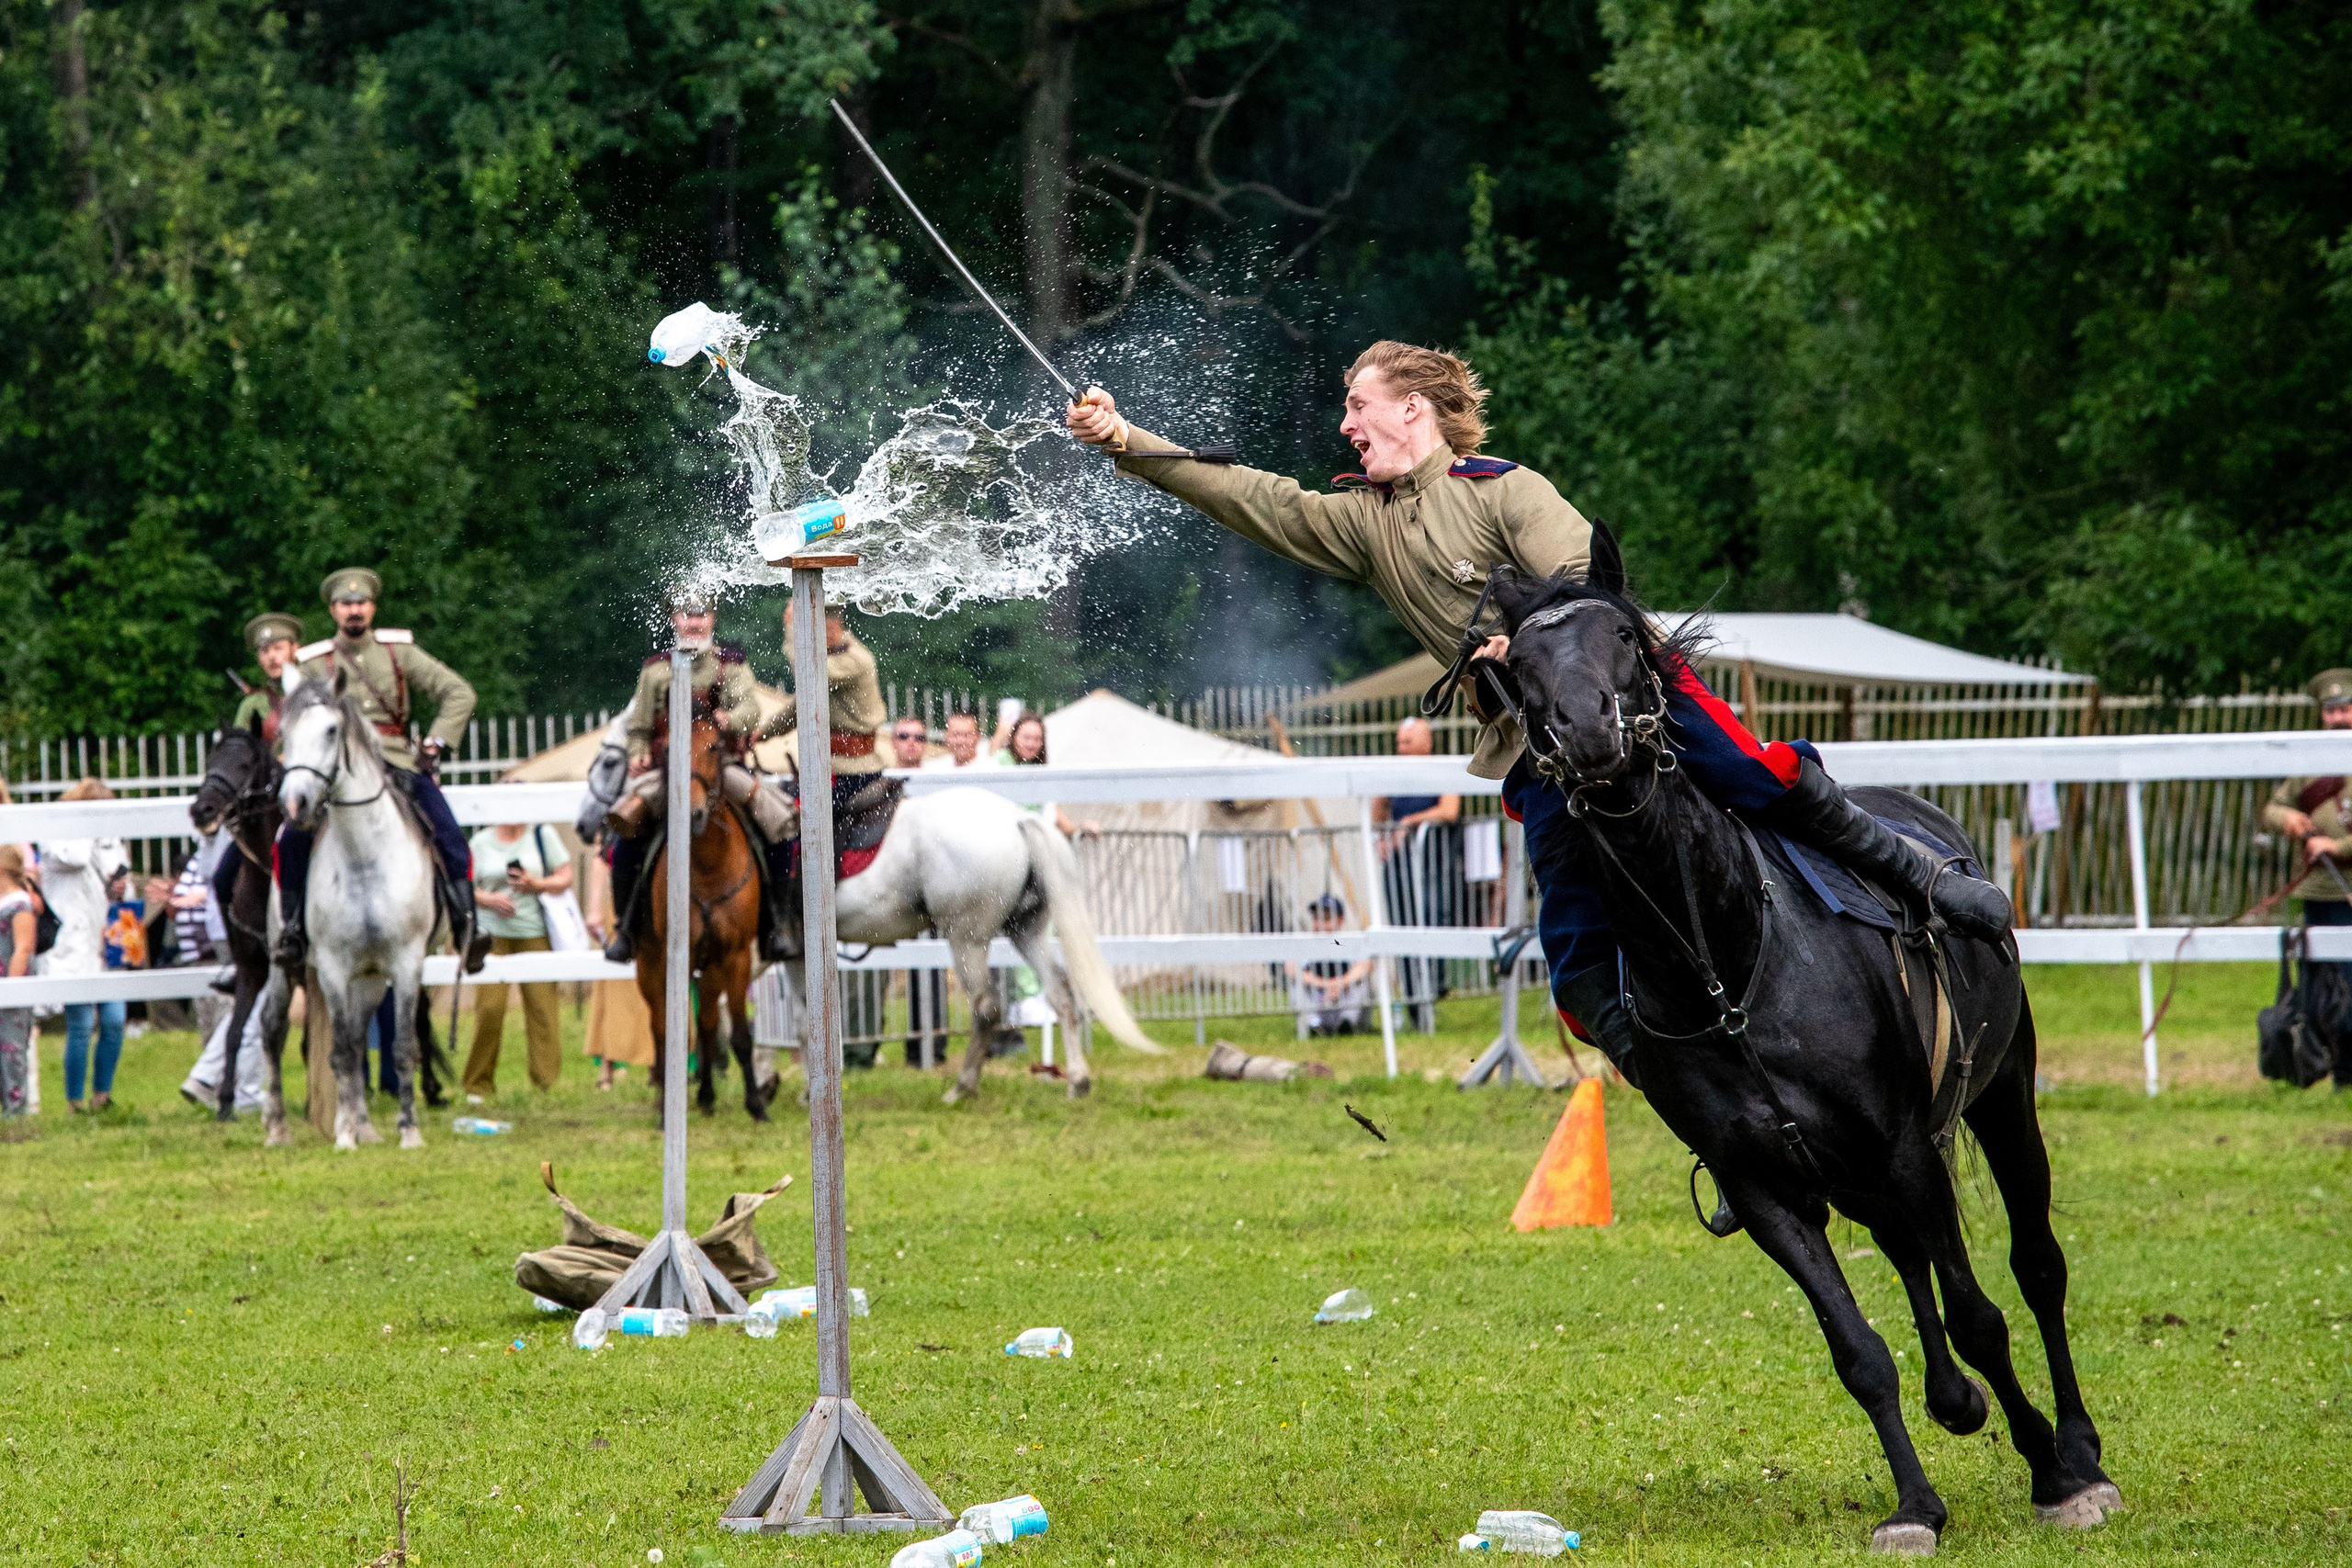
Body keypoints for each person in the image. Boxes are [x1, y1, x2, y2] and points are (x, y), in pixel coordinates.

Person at [1067, 342, 2012, 1073]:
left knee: (1752, 775)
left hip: (1625, 698)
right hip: (1537, 748)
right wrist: (1126, 442)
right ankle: (1700, 1102)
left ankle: (1923, 882)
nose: (1344, 422)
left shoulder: (1505, 489)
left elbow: (1576, 588)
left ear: (1410, 408)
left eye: (1356, 404)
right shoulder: (1361, 523)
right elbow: (1250, 495)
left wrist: (1512, 642)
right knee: (1572, 959)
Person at [277, 568, 489, 976]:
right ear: (333, 610)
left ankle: (466, 925)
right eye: (345, 604)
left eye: (360, 603)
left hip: (395, 762)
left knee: (448, 832)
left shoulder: (399, 653)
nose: (354, 610)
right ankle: (291, 932)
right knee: (291, 839)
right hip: (332, 772)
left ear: (372, 607)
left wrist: (435, 743)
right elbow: (295, 717)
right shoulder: (311, 664)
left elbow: (459, 692)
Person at [602, 595, 797, 964]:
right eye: (686, 615)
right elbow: (638, 727)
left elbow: (751, 709)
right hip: (667, 772)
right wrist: (638, 752)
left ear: (712, 619)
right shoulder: (656, 671)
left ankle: (778, 923)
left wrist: (730, 720)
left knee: (778, 822)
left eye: (701, 615)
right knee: (623, 830)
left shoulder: (730, 665)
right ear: (675, 619)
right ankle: (625, 929)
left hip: (722, 768)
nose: (694, 623)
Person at [2262, 667, 2352, 1087]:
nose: (2338, 718)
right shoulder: (2309, 763)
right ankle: (2334, 1069)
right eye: (2331, 711)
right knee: (2324, 989)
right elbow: (2272, 807)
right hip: (2320, 891)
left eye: (2346, 709)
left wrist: (2338, 848)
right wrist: (2291, 818)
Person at [461, 821, 573, 1100]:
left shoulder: (541, 834)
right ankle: (477, 1085)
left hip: (534, 933)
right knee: (490, 1008)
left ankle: (545, 1084)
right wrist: (489, 900)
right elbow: (464, 885)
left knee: (542, 1009)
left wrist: (537, 884)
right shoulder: (481, 841)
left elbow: (565, 876)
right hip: (491, 935)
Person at [40, 777, 130, 1112]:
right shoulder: (58, 838)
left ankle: (102, 1096)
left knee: (115, 1020)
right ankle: (74, 1101)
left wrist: (121, 888)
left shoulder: (109, 841)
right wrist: (89, 833)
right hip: (72, 945)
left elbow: (120, 879)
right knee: (80, 1024)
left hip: (105, 942)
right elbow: (77, 858)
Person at [1375, 716, 1463, 1028]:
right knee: (1402, 926)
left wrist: (1409, 823)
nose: (1401, 749)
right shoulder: (1392, 773)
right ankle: (1414, 1001)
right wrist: (1383, 834)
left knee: (1433, 918)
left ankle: (1431, 989)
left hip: (1432, 863)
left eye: (1407, 742)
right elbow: (1379, 806)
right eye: (1399, 742)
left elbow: (1449, 810)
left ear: (1426, 744)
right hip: (1399, 865)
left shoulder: (1443, 770)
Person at [887, 718, 949, 1066]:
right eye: (904, 736)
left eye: (919, 737)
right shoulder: (883, 783)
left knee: (934, 964)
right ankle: (898, 1043)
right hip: (895, 887)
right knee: (892, 966)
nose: (912, 743)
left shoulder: (937, 784)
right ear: (893, 742)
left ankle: (933, 1043)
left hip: (934, 886)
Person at [1288, 894, 1374, 1035]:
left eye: (1326, 919)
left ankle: (1348, 1024)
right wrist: (1326, 985)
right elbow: (1290, 968)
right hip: (1318, 1003)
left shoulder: (1350, 944)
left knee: (1363, 981)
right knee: (1295, 981)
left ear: (1340, 920)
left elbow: (1368, 965)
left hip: (1344, 1002)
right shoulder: (1305, 945)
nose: (1320, 924)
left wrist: (1339, 984)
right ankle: (1312, 1024)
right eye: (1316, 918)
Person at [0, 846, 36, 1118]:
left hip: (10, 985)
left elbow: (22, 949)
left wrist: (11, 990)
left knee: (12, 1049)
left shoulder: (20, 903)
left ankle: (16, 1111)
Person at [231, 611, 303, 745]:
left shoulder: (313, 696)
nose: (272, 656)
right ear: (259, 658)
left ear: (295, 650)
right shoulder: (252, 705)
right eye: (265, 650)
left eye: (278, 648)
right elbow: (239, 752)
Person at [924, 711, 988, 770]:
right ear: (946, 736)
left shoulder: (990, 770)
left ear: (977, 737)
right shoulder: (935, 770)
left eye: (967, 735)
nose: (961, 741)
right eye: (955, 735)